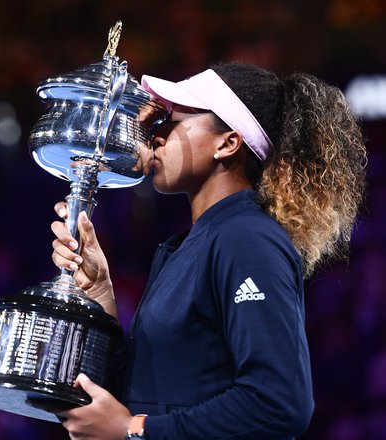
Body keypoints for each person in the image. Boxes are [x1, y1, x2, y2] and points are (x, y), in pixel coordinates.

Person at [49, 62, 367, 439]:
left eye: (173, 122)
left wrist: (133, 431)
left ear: (227, 143)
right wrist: (101, 293)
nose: (155, 137)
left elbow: (279, 403)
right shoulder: (189, 245)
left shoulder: (247, 238)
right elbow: (148, 390)